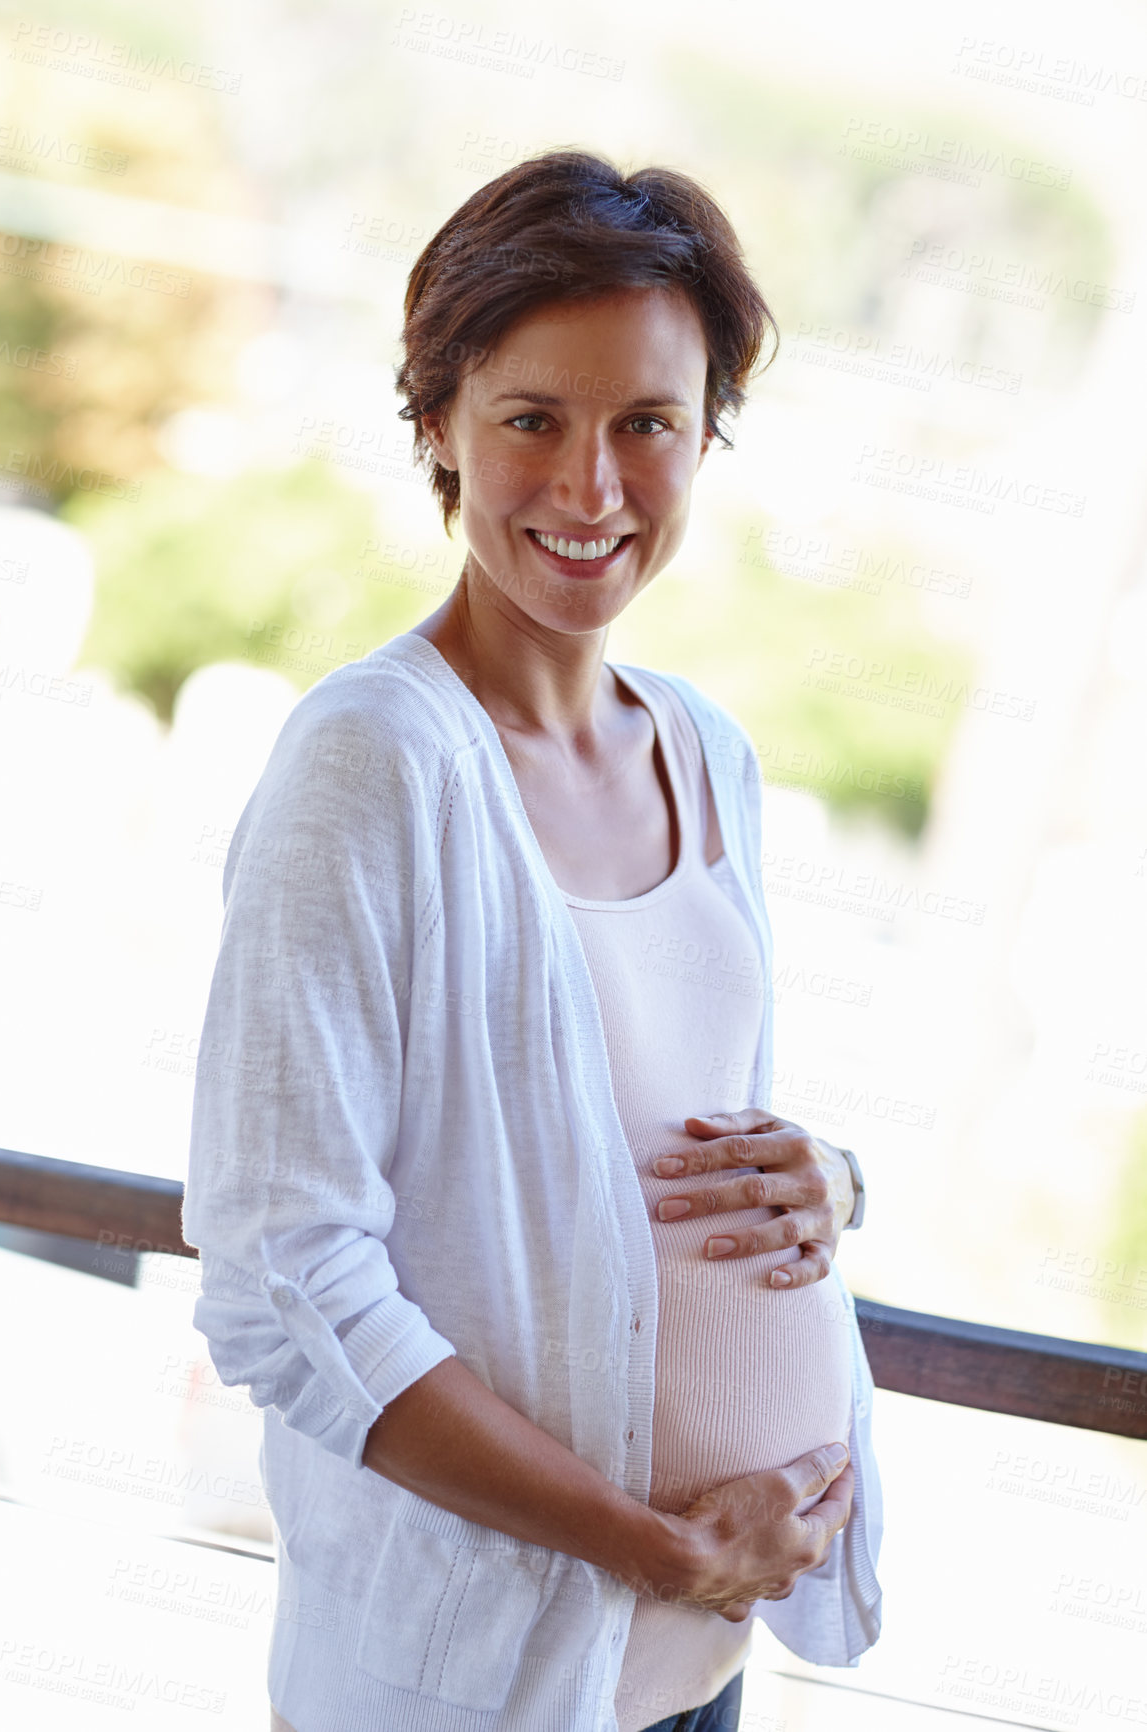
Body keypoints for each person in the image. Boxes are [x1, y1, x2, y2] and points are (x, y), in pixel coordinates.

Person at [183, 147, 882, 1732]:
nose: (589, 489)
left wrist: (830, 1180)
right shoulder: (370, 765)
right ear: (434, 425)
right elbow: (284, 1276)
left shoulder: (705, 750)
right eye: (529, 421)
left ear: (706, 433)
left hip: (696, 1672)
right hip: (478, 1688)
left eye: (646, 423)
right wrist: (649, 1545)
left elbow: (670, 1129)